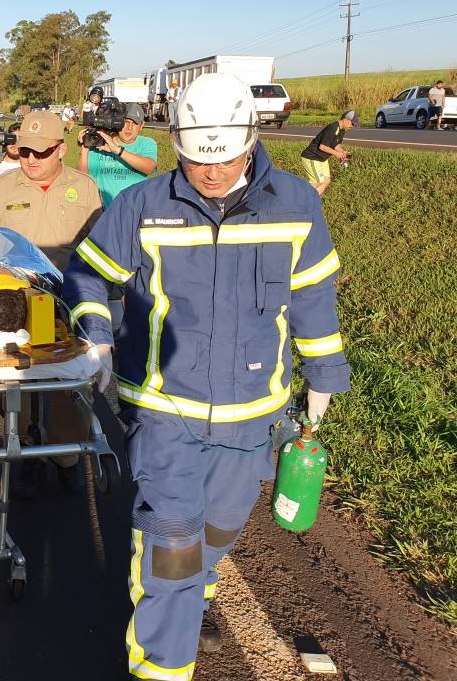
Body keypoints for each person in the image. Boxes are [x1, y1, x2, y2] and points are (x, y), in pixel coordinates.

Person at [63, 73, 350, 680]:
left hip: (253, 417)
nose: (211, 174)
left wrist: (324, 373)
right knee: (170, 547)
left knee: (215, 534)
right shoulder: (144, 206)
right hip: (166, 413)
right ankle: (162, 667)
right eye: (197, 161)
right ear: (180, 147)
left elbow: (313, 299)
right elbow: (88, 274)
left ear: (251, 140)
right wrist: (96, 336)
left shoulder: (297, 206)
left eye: (222, 161)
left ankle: (200, 583)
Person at [0, 110, 103, 492]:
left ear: (61, 149)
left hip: (70, 303)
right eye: (24, 151)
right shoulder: (1, 190)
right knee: (18, 381)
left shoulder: (85, 188)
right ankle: (24, 448)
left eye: (41, 152)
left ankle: (66, 456)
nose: (30, 159)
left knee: (71, 381)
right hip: (18, 304)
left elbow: (100, 248)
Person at [76, 102, 158, 207]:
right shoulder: (101, 143)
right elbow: (83, 179)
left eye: (135, 123)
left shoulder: (146, 143)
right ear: (117, 122)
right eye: (126, 122)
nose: (129, 128)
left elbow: (149, 167)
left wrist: (118, 151)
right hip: (107, 212)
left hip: (136, 210)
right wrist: (85, 147)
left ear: (141, 125)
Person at [299, 110, 358, 196]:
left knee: (326, 180)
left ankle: (313, 200)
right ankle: (305, 200)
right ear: (345, 119)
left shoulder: (342, 130)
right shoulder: (333, 128)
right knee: (318, 182)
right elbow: (322, 146)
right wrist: (336, 154)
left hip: (322, 159)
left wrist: (342, 152)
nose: (352, 126)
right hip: (312, 157)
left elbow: (336, 145)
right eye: (352, 123)